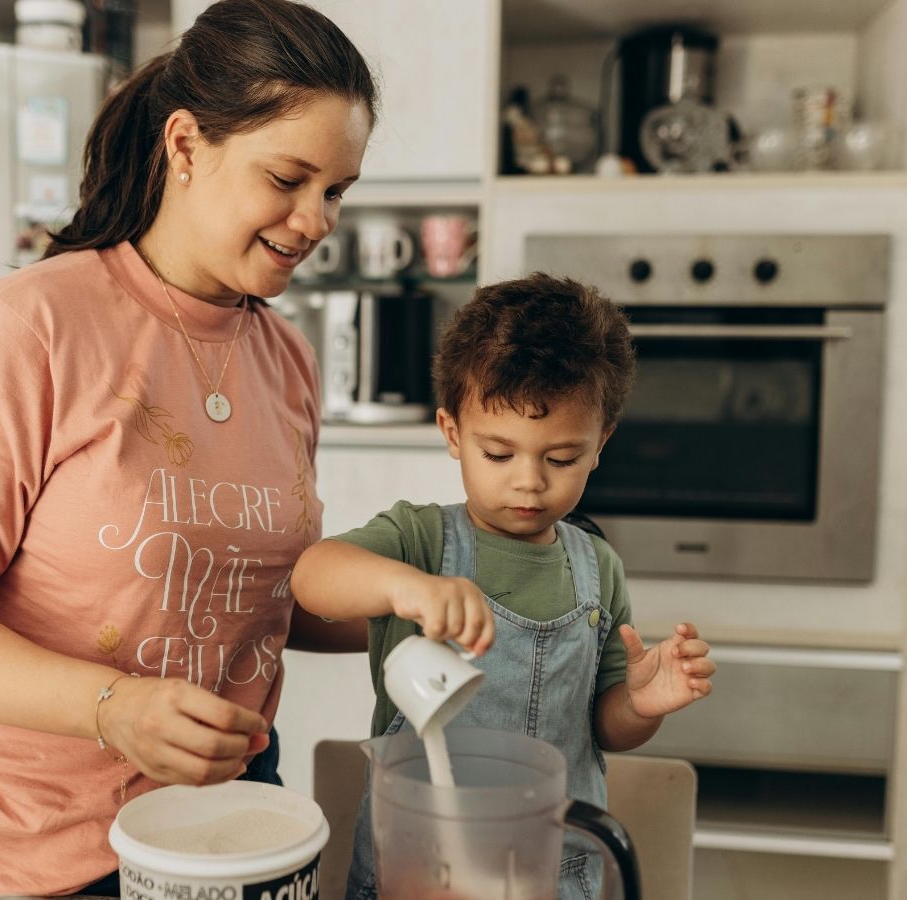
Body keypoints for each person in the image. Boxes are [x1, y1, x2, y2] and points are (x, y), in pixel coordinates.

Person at [0, 1, 376, 895]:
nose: (317, 219)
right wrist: (114, 708)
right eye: (288, 178)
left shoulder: (286, 357)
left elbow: (253, 596)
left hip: (223, 831)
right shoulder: (26, 327)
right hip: (19, 856)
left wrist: (443, 607)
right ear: (185, 145)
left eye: (335, 191)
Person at [290, 273, 716, 900]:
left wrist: (640, 705)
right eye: (498, 454)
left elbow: (604, 729)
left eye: (561, 458)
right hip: (417, 865)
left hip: (552, 871)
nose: (529, 482)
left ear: (601, 443)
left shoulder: (598, 568)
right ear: (452, 432)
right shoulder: (420, 540)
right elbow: (312, 576)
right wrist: (405, 588)